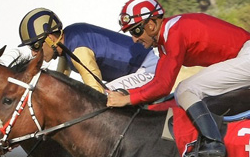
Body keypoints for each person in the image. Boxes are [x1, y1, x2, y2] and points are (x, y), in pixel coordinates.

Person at [107, 0, 250, 157]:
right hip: (248, 57)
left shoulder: (174, 33)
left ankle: (214, 143)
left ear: (151, 25)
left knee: (185, 89)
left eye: (136, 31)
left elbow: (162, 87)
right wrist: (127, 93)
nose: (134, 39)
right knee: (182, 93)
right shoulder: (166, 38)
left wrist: (127, 99)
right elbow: (157, 82)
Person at [17, 7, 158, 93]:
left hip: (148, 67)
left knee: (106, 96)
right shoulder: (67, 42)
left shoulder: (78, 49)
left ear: (51, 39)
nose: (33, 53)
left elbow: (96, 90)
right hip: (142, 65)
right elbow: (61, 83)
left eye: (35, 46)